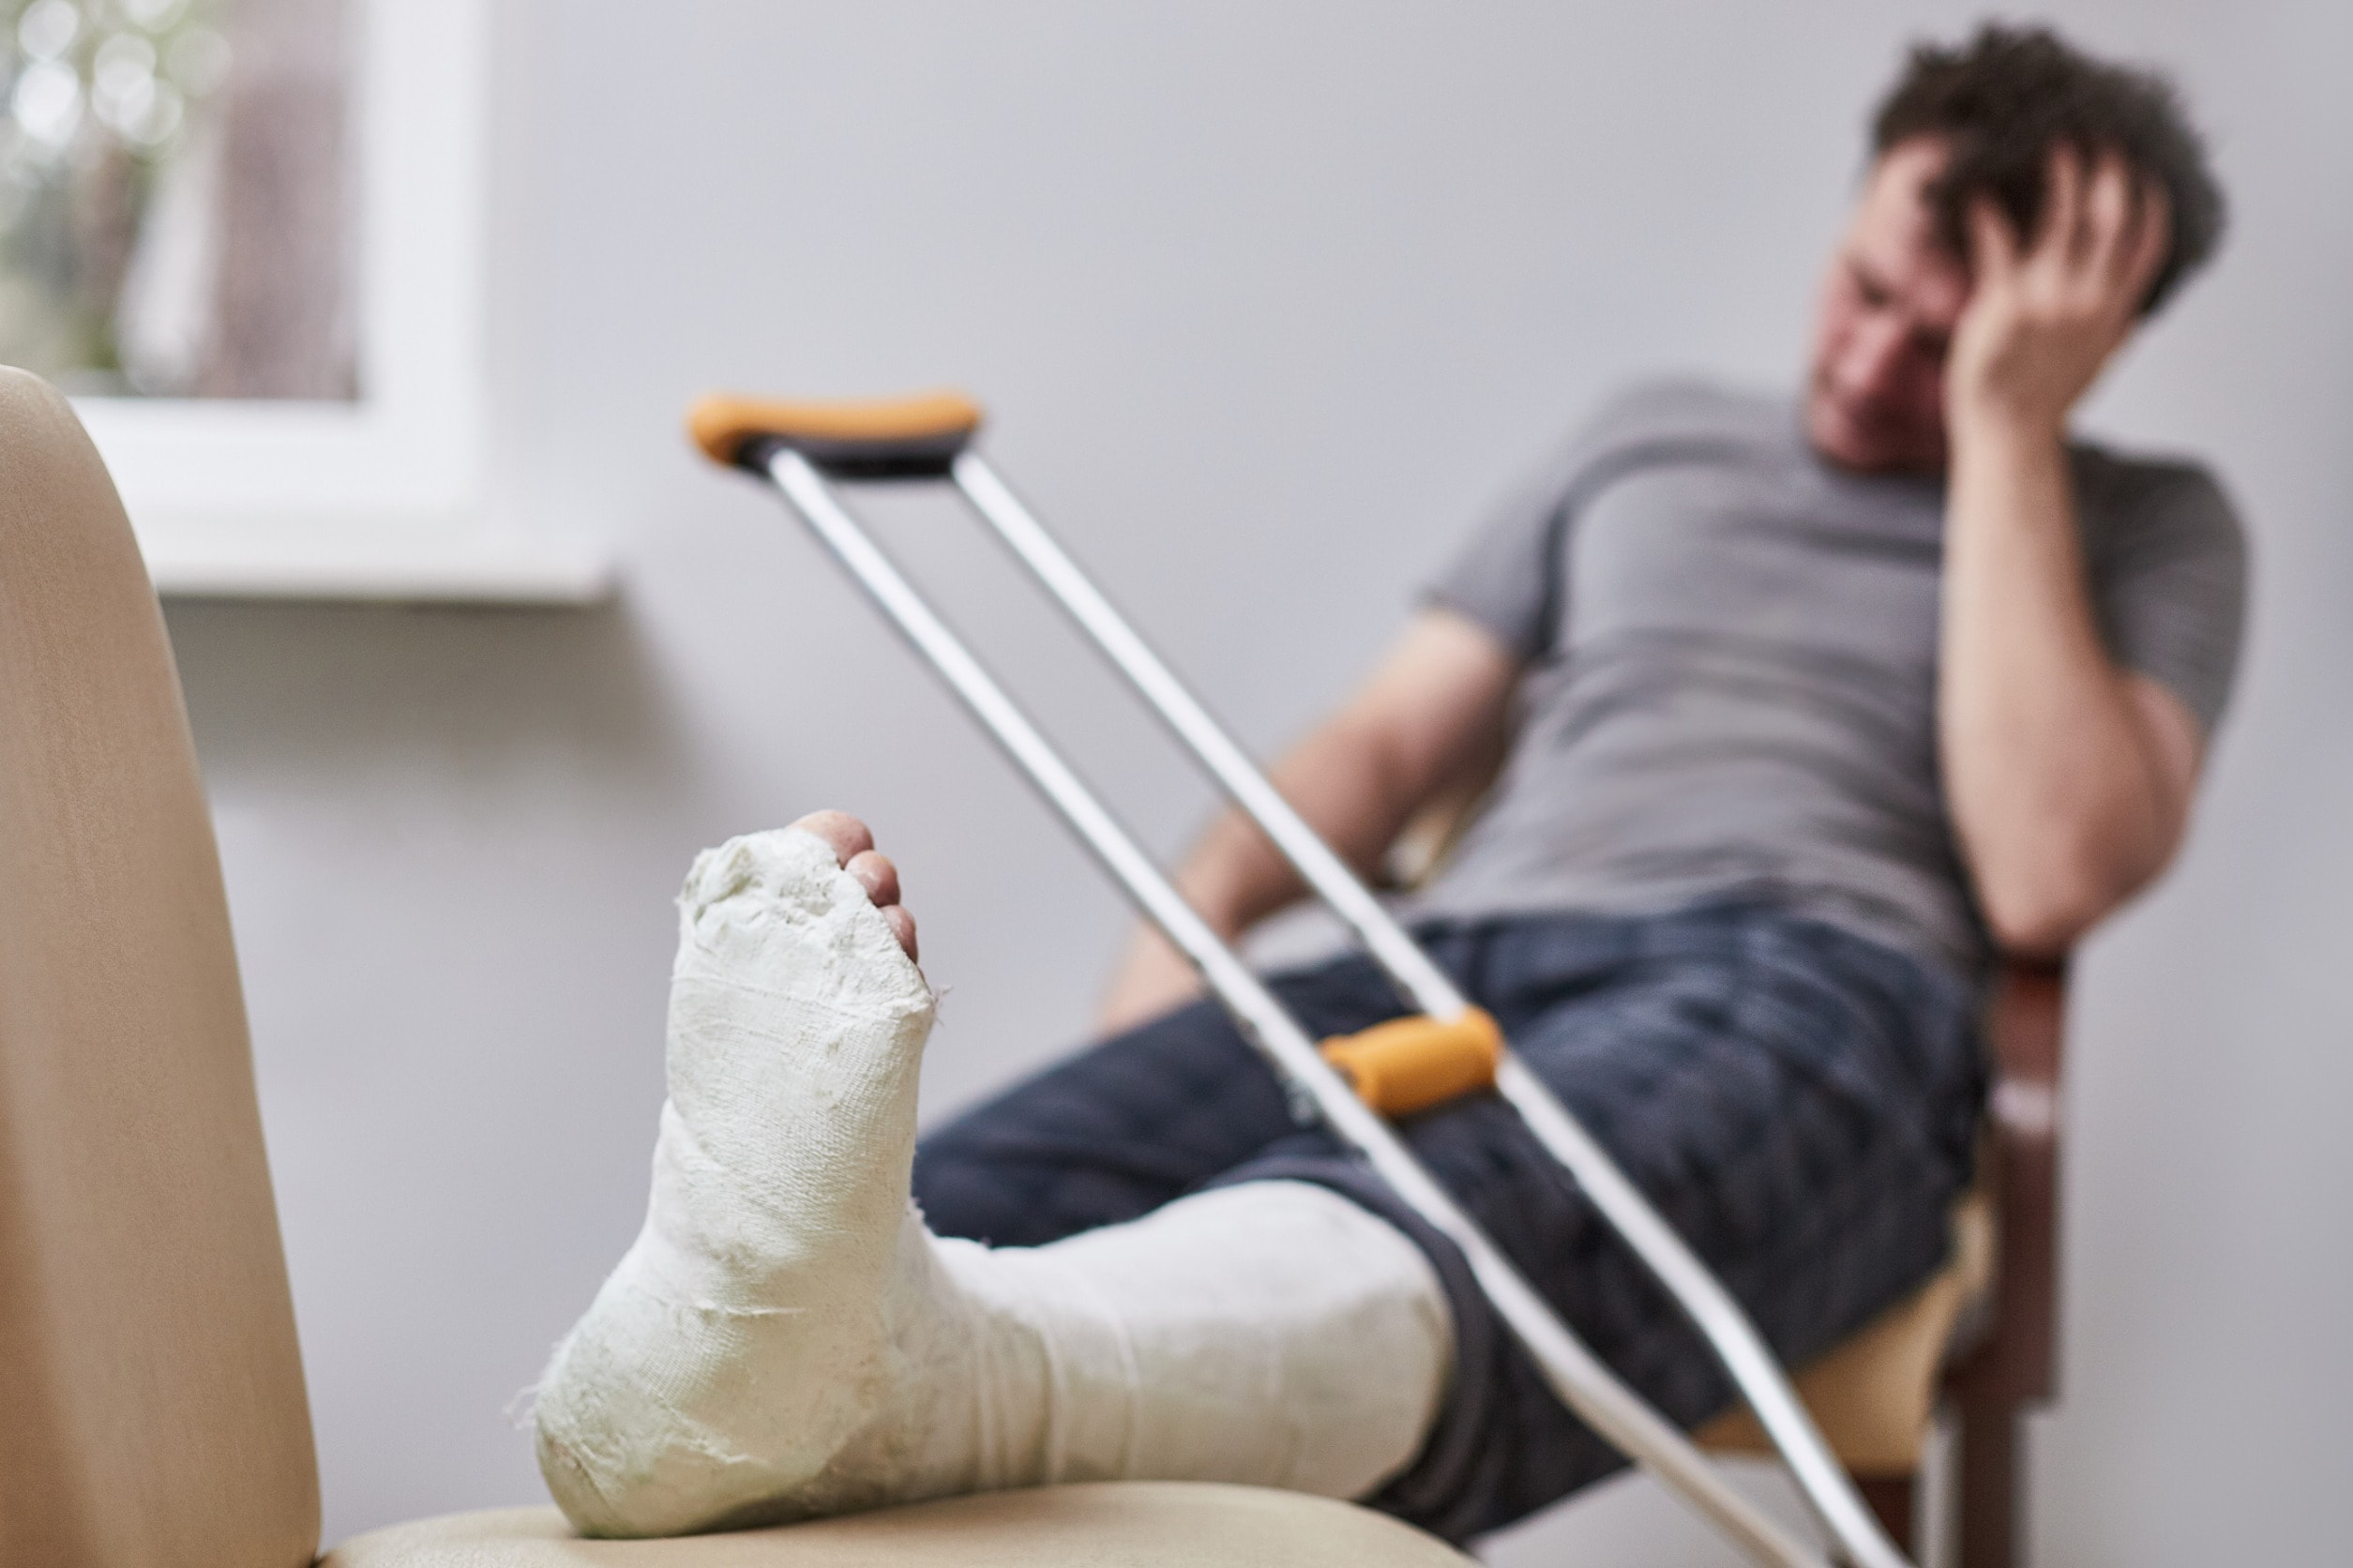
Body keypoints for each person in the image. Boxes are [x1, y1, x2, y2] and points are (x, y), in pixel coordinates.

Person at [532, 23, 2246, 1545]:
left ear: (2069, 344)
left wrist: (2007, 439)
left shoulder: (2141, 529)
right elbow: (1391, 740)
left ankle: (963, 1378)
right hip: (1452, 950)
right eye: (1868, 291)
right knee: (950, 1207)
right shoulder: (1644, 435)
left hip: (1804, 989)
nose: (1875, 367)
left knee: (1480, 1218)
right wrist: (1195, 910)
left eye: (1948, 350)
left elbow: (2043, 873)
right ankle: (774, 1354)